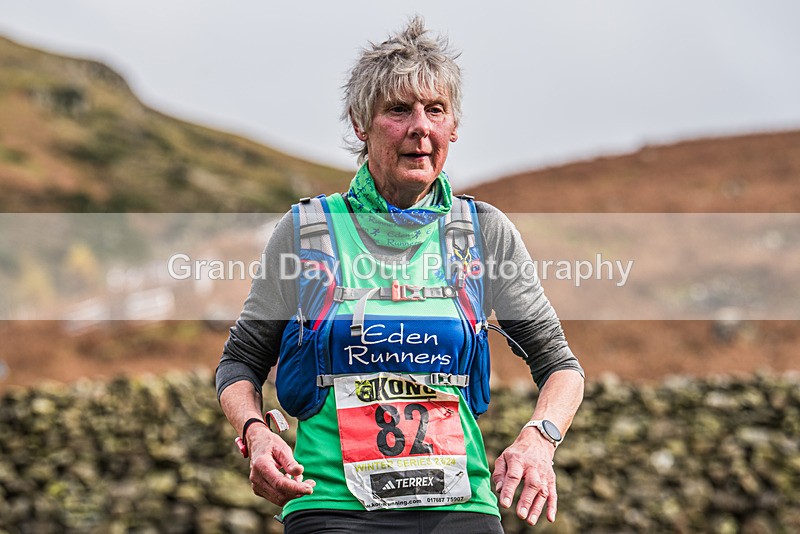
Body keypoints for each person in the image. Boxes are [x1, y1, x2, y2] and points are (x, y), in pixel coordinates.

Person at [216, 16, 584, 533]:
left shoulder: (481, 232)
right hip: (332, 508)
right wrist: (256, 433)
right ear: (360, 124)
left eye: (435, 110)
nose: (420, 127)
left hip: (461, 508)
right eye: (397, 110)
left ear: (453, 127)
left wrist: (538, 440)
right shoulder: (307, 231)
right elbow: (240, 362)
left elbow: (562, 367)